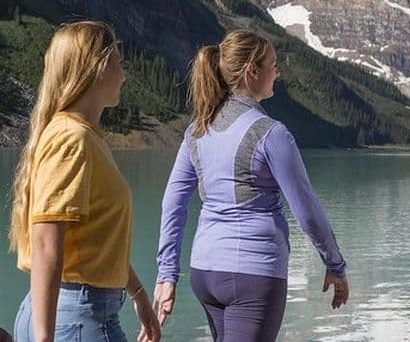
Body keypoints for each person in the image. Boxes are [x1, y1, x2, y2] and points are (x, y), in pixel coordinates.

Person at [153, 30, 349, 341]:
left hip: (205, 272)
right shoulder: (271, 133)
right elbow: (307, 211)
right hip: (253, 274)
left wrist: (166, 273)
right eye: (273, 64)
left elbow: (173, 204)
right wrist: (335, 264)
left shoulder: (197, 130)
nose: (278, 72)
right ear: (252, 72)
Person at [9, 21, 160, 342]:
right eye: (118, 63)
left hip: (65, 316)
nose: (124, 74)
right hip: (77, 322)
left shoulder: (83, 136)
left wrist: (138, 295)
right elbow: (46, 241)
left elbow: (96, 243)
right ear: (98, 68)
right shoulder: (71, 138)